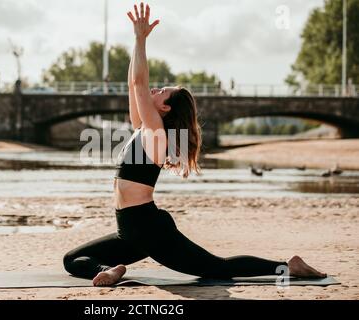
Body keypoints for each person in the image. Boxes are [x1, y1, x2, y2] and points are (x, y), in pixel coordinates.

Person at [63, 3, 326, 286]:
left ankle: (289, 267)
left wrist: (141, 39)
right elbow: (133, 85)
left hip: (148, 228)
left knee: (216, 268)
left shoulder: (156, 134)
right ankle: (112, 269)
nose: (155, 89)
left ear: (164, 109)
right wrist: (136, 43)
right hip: (128, 230)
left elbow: (140, 83)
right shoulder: (143, 127)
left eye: (162, 91)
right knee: (73, 260)